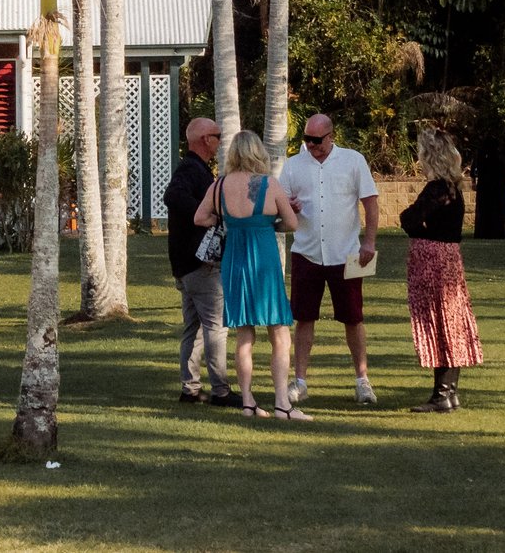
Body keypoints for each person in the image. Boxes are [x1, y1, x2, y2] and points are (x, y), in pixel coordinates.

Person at [196, 129, 310, 420]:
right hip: (264, 261)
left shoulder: (219, 185)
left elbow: (200, 218)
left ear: (233, 154)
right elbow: (292, 223)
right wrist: (268, 225)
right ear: (258, 153)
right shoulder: (269, 184)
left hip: (235, 260)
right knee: (280, 334)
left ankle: (248, 402)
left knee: (244, 335)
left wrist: (227, 221)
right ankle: (282, 403)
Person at [280, 112, 381, 409]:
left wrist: (370, 241)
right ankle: (299, 381)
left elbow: (370, 203)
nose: (311, 146)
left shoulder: (353, 161)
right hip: (307, 252)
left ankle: (362, 380)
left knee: (353, 318)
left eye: (317, 140)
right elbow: (281, 209)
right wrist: (289, 206)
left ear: (331, 136)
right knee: (304, 318)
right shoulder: (293, 166)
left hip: (346, 252)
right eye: (307, 140)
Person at [399, 128, 484, 412]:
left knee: (440, 323)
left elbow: (410, 219)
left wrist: (415, 226)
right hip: (448, 258)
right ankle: (449, 391)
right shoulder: (452, 189)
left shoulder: (436, 190)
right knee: (451, 321)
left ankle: (441, 394)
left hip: (433, 259)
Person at [162, 116, 239, 407]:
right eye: (217, 135)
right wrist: (205, 215)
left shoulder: (195, 168)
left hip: (185, 265)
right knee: (216, 327)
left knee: (193, 330)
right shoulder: (191, 169)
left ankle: (190, 388)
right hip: (200, 265)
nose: (220, 140)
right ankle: (221, 390)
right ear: (206, 140)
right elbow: (173, 196)